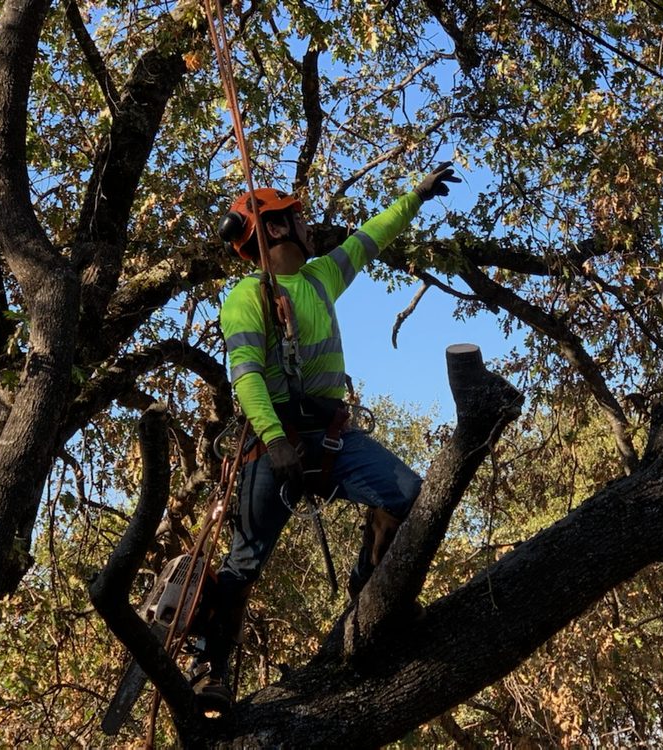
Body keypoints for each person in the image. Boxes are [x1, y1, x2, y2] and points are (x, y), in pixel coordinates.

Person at [189, 163, 460, 705]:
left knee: (408, 496)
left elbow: (368, 239)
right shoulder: (248, 294)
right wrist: (272, 438)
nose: (309, 224)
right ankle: (206, 667)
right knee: (244, 561)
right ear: (277, 229)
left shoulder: (319, 277)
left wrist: (415, 195)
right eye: (298, 217)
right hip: (273, 443)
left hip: (330, 435)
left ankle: (373, 594)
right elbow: (244, 372)